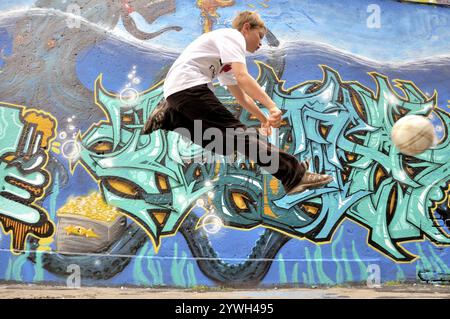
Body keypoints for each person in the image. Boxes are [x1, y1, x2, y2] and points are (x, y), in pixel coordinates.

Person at [143, 11, 333, 195]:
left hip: (177, 93)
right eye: (259, 36)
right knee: (242, 136)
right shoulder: (233, 37)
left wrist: (263, 119)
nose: (260, 43)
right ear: (246, 28)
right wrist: (272, 106)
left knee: (223, 145)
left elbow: (241, 96)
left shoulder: (224, 58)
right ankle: (294, 176)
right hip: (190, 87)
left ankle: (171, 117)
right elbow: (243, 77)